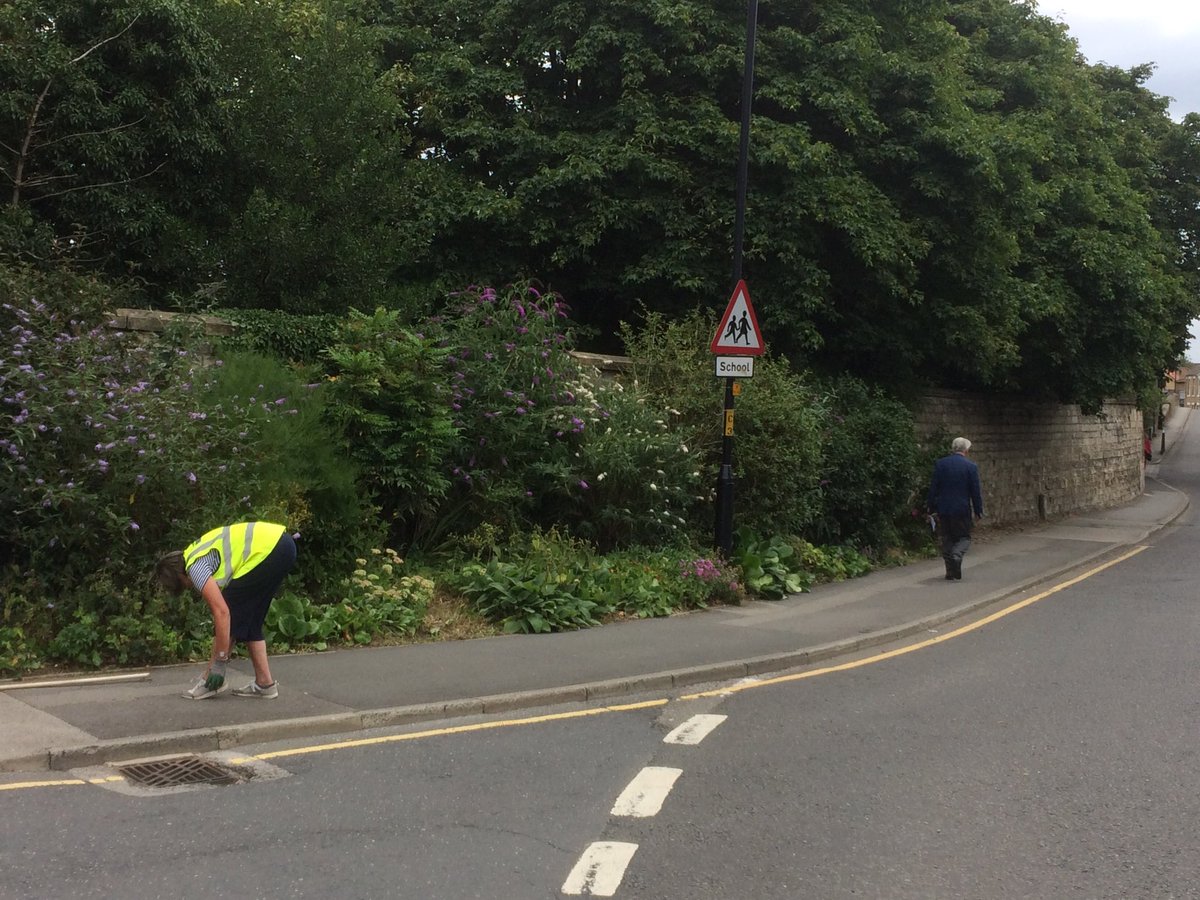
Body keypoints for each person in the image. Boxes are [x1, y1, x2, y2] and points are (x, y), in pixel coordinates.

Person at [154, 521, 296, 700]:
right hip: (282, 546)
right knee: (251, 620)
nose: (188, 587)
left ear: (178, 576)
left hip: (269, 551)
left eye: (182, 585)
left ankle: (211, 681)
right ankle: (265, 684)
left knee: (229, 612)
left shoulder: (195, 567)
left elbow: (222, 613)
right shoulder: (194, 552)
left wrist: (220, 663)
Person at [927, 437, 984, 581]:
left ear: (953, 449)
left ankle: (950, 572)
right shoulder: (971, 467)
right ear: (966, 450)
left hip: (944, 509)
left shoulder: (941, 464)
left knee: (947, 538)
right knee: (964, 538)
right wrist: (978, 511)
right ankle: (957, 555)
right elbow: (975, 492)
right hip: (962, 509)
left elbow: (934, 488)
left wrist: (930, 507)